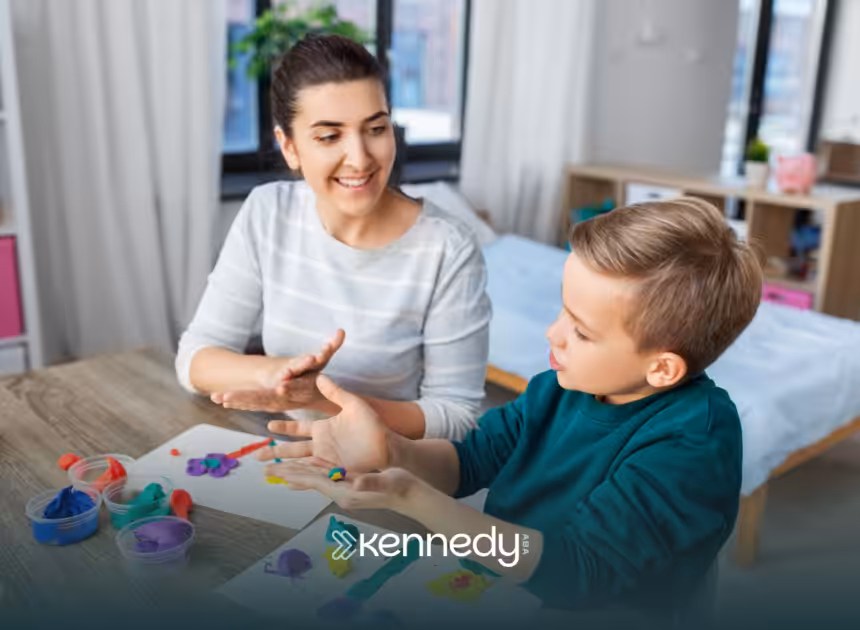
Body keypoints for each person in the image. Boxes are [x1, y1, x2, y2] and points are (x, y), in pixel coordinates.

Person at [259, 197, 763, 617]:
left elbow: (575, 575)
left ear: (662, 369)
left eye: (581, 331)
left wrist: (415, 499)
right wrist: (391, 450)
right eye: (563, 310)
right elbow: (469, 462)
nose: (553, 334)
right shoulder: (558, 388)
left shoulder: (694, 442)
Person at [176, 35, 491, 440]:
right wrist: (275, 373)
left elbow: (457, 417)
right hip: (287, 462)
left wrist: (321, 399)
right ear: (289, 147)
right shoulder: (268, 212)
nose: (360, 158)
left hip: (387, 479)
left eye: (376, 128)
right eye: (329, 136)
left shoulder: (448, 247)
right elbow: (195, 358)